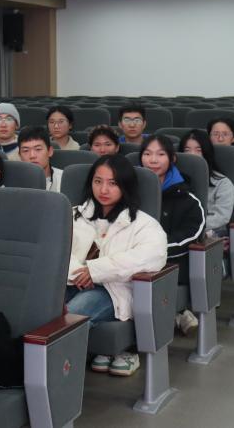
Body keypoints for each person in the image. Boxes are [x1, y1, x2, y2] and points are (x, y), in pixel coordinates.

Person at [66, 155, 167, 377]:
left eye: (113, 183)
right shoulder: (73, 215)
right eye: (98, 181)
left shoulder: (143, 224)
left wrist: (95, 271)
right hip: (71, 281)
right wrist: (77, 274)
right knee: (42, 311)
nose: (103, 189)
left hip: (112, 291)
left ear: (125, 185)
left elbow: (151, 257)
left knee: (70, 316)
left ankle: (55, 377)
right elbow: (55, 249)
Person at [139, 134, 205, 335]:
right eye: (147, 154)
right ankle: (177, 314)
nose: (153, 160)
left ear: (172, 158)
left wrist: (152, 251)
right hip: (133, 258)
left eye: (160, 154)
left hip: (171, 261)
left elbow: (191, 233)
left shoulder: (186, 198)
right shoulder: (130, 192)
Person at [179, 129, 234, 238]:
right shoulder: (173, 180)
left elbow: (221, 217)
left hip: (210, 235)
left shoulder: (223, 183)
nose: (192, 155)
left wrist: (191, 227)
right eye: (187, 150)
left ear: (206, 153)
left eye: (198, 150)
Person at [18, 127, 62, 192]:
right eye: (26, 150)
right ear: (20, 155)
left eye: (38, 149)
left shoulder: (64, 179)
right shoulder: (12, 182)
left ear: (50, 151)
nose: (32, 156)